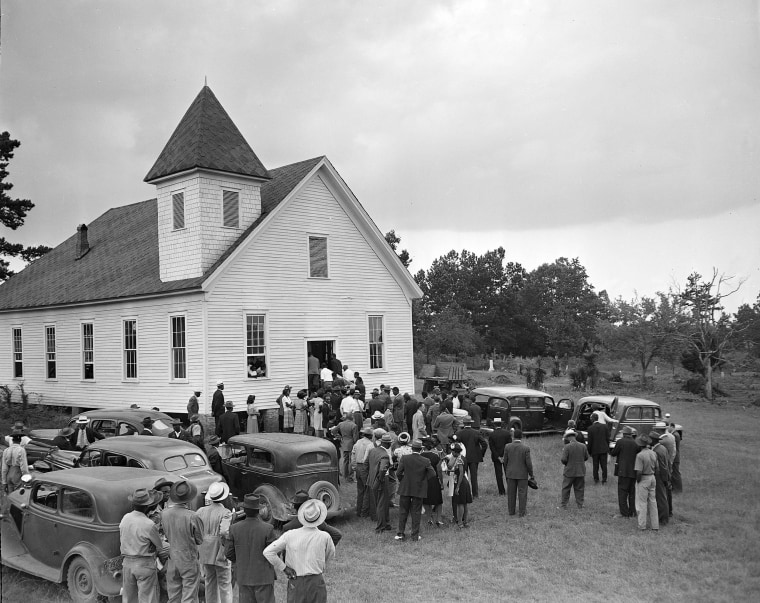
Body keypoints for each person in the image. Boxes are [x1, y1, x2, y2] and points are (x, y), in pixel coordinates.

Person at [263, 499, 336, 603]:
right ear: (319, 517)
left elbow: (268, 552)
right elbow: (330, 554)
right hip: (316, 581)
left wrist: (284, 568)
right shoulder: (325, 537)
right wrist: (322, 565)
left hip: (296, 581)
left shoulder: (290, 535)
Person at [226, 494, 277, 603]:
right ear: (258, 511)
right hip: (264, 577)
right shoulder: (268, 528)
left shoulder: (234, 528)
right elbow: (273, 553)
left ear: (244, 510)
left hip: (244, 576)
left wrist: (241, 559)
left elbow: (228, 553)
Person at [120, 487, 165, 603]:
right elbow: (159, 545)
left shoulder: (125, 518)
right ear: (147, 506)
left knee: (129, 598)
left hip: (127, 563)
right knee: (148, 598)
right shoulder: (148, 524)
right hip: (144, 564)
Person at [161, 480, 204, 602]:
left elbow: (165, 534)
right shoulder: (192, 516)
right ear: (189, 498)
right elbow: (199, 540)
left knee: (173, 595)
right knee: (189, 595)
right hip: (188, 559)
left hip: (172, 558)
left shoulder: (164, 514)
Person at [196, 482, 233, 603]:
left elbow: (195, 529)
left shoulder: (200, 511)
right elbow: (224, 532)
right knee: (225, 583)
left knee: (209, 581)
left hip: (205, 550)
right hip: (219, 550)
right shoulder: (226, 512)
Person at [395, 439, 436, 541]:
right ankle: (415, 536)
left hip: (405, 488)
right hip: (418, 488)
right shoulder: (425, 460)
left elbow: (398, 473)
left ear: (411, 448)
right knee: (416, 512)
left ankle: (400, 533)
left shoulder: (405, 458)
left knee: (403, 511)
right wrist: (422, 480)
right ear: (421, 449)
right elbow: (433, 474)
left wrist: (403, 481)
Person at [502, 428, 534, 517]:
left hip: (510, 473)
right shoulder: (526, 448)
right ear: (522, 436)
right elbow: (529, 463)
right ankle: (522, 512)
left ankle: (511, 512)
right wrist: (531, 474)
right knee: (522, 493)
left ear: (513, 436)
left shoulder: (507, 446)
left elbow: (505, 461)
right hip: (522, 474)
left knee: (511, 494)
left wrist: (507, 471)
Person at [610, 426, 639, 518]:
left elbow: (614, 453)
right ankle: (632, 512)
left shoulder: (620, 442)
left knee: (622, 492)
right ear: (630, 434)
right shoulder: (636, 443)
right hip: (634, 471)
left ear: (624, 434)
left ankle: (624, 513)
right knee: (632, 493)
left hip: (623, 471)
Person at [443, 442, 471, 528]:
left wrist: (458, 486)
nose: (452, 453)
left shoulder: (459, 460)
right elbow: (450, 467)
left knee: (460, 504)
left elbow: (461, 473)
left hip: (460, 482)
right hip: (464, 481)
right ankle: (465, 522)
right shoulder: (461, 457)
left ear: (456, 452)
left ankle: (460, 522)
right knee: (465, 503)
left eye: (453, 452)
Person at [368, 433, 393, 532]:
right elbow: (383, 469)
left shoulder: (373, 450)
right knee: (382, 504)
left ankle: (386, 524)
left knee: (380, 503)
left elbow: (367, 463)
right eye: (390, 443)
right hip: (381, 480)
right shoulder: (384, 455)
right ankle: (380, 527)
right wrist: (381, 479)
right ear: (387, 444)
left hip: (372, 479)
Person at [634, 434, 659, 531]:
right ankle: (655, 526)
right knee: (653, 502)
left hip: (644, 478)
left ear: (640, 445)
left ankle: (642, 525)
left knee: (642, 503)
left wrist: (638, 481)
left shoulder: (640, 455)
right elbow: (657, 468)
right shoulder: (653, 453)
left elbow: (639, 471)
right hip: (652, 477)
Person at [560, 429, 589, 509]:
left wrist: (567, 464)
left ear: (569, 437)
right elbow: (586, 457)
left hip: (569, 471)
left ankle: (563, 505)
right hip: (580, 471)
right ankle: (580, 505)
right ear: (574, 436)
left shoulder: (567, 447)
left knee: (566, 488)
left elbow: (563, 459)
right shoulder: (583, 446)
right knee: (579, 488)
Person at [456, 417, 484, 497]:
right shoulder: (476, 432)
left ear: (463, 423)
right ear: (471, 423)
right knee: (474, 477)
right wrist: (480, 454)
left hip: (463, 457)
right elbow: (484, 444)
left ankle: (465, 493)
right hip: (474, 458)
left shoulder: (459, 433)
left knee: (463, 476)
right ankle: (475, 494)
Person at [351, 427, 375, 518]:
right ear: (371, 435)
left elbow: (352, 454)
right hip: (365, 467)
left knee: (360, 490)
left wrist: (354, 466)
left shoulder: (358, 442)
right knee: (367, 490)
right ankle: (364, 512)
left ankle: (359, 510)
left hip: (358, 466)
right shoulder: (370, 444)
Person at [420, 437, 444, 527]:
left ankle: (429, 518)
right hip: (434, 479)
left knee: (426, 501)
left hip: (424, 480)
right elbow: (439, 470)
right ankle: (438, 519)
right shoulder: (435, 456)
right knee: (438, 500)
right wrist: (441, 482)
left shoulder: (420, 456)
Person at [650, 431, 671, 526]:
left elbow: (662, 467)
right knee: (663, 497)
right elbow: (668, 463)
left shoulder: (656, 451)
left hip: (659, 476)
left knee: (661, 498)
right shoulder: (662, 448)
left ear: (653, 440)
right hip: (664, 476)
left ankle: (663, 519)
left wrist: (665, 479)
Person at [488, 418, 511, 496]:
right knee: (508, 474)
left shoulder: (492, 434)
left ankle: (501, 491)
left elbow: (492, 447)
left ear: (494, 424)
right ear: (501, 424)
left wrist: (498, 457)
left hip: (496, 457)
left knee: (499, 475)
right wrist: (504, 456)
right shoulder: (507, 433)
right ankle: (511, 490)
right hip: (506, 457)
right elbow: (509, 446)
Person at [334, 413, 358, 482]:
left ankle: (345, 475)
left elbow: (333, 431)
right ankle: (350, 477)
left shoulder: (341, 424)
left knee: (345, 460)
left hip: (344, 442)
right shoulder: (354, 425)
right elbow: (355, 437)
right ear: (351, 417)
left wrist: (339, 437)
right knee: (351, 461)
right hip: (351, 444)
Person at [587, 413, 609, 484]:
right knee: (604, 465)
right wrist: (607, 448)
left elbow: (590, 441)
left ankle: (596, 479)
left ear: (592, 419)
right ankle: (604, 479)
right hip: (603, 449)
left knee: (595, 466)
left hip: (595, 450)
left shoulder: (590, 428)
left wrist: (589, 451)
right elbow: (607, 438)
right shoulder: (605, 426)